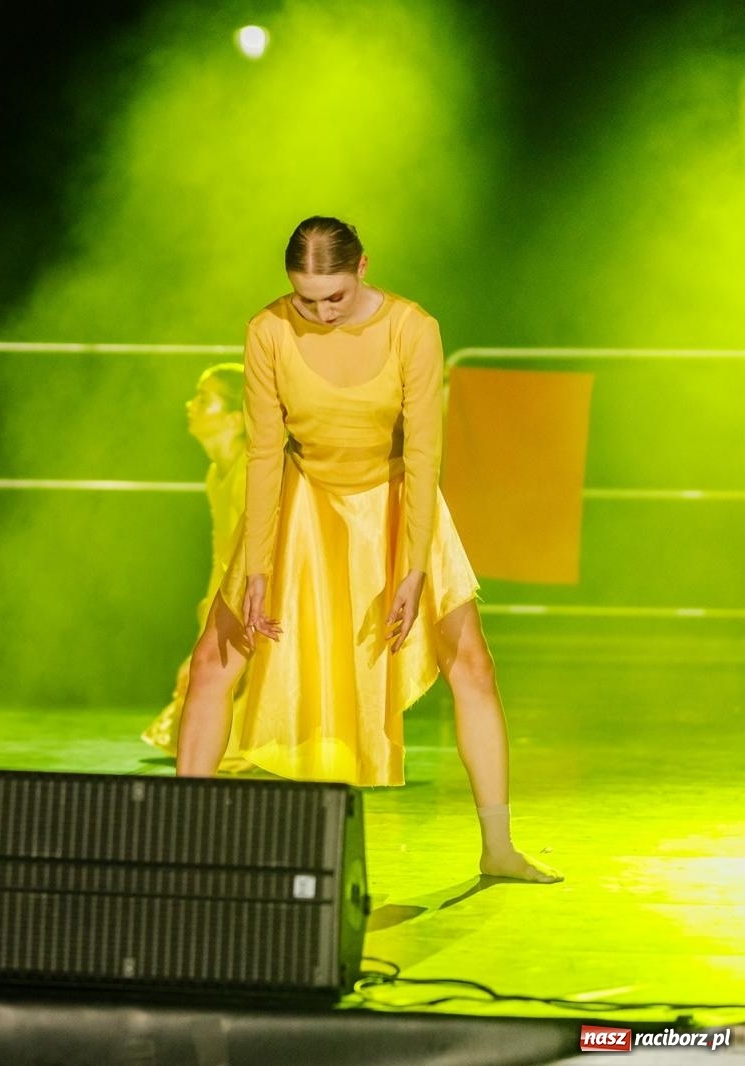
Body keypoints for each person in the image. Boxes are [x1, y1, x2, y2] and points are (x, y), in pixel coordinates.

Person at [175, 217, 561, 883]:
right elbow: (265, 453)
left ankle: (498, 848)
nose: (321, 312)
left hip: (396, 500)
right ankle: (177, 843)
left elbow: (425, 450)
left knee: (472, 664)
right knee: (213, 661)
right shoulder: (267, 331)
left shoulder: (413, 327)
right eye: (306, 299)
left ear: (362, 270)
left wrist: (413, 567)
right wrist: (259, 567)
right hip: (303, 501)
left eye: (335, 296)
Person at [141, 364, 253, 770]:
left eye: (204, 399)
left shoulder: (252, 471)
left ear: (234, 418)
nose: (191, 406)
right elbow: (221, 552)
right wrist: (209, 617)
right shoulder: (215, 474)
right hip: (235, 594)